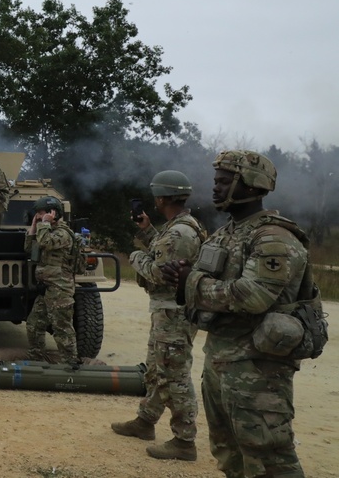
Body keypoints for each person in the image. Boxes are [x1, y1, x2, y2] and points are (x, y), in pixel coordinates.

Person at [161, 150, 310, 477]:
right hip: (222, 361)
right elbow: (205, 283)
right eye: (216, 180)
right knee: (229, 452)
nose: (215, 187)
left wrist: (192, 282)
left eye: (225, 181)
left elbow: (253, 296)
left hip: (258, 368)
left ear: (253, 184)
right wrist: (182, 276)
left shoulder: (273, 237)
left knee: (269, 458)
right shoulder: (226, 234)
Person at [111, 170, 206, 462]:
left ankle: (184, 440)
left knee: (173, 374)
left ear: (162, 197)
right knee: (156, 368)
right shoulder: (178, 227)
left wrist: (135, 256)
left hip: (174, 312)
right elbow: (164, 255)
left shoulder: (179, 232)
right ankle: (145, 421)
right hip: (168, 311)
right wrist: (147, 231)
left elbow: (158, 272)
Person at [24, 195, 80, 366]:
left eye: (42, 213)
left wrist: (43, 224)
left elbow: (45, 242)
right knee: (34, 324)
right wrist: (34, 227)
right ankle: (36, 358)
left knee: (62, 328)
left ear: (53, 213)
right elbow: (29, 249)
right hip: (48, 288)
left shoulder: (63, 233)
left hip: (60, 289)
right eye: (38, 214)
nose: (39, 217)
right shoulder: (45, 230)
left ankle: (70, 364)